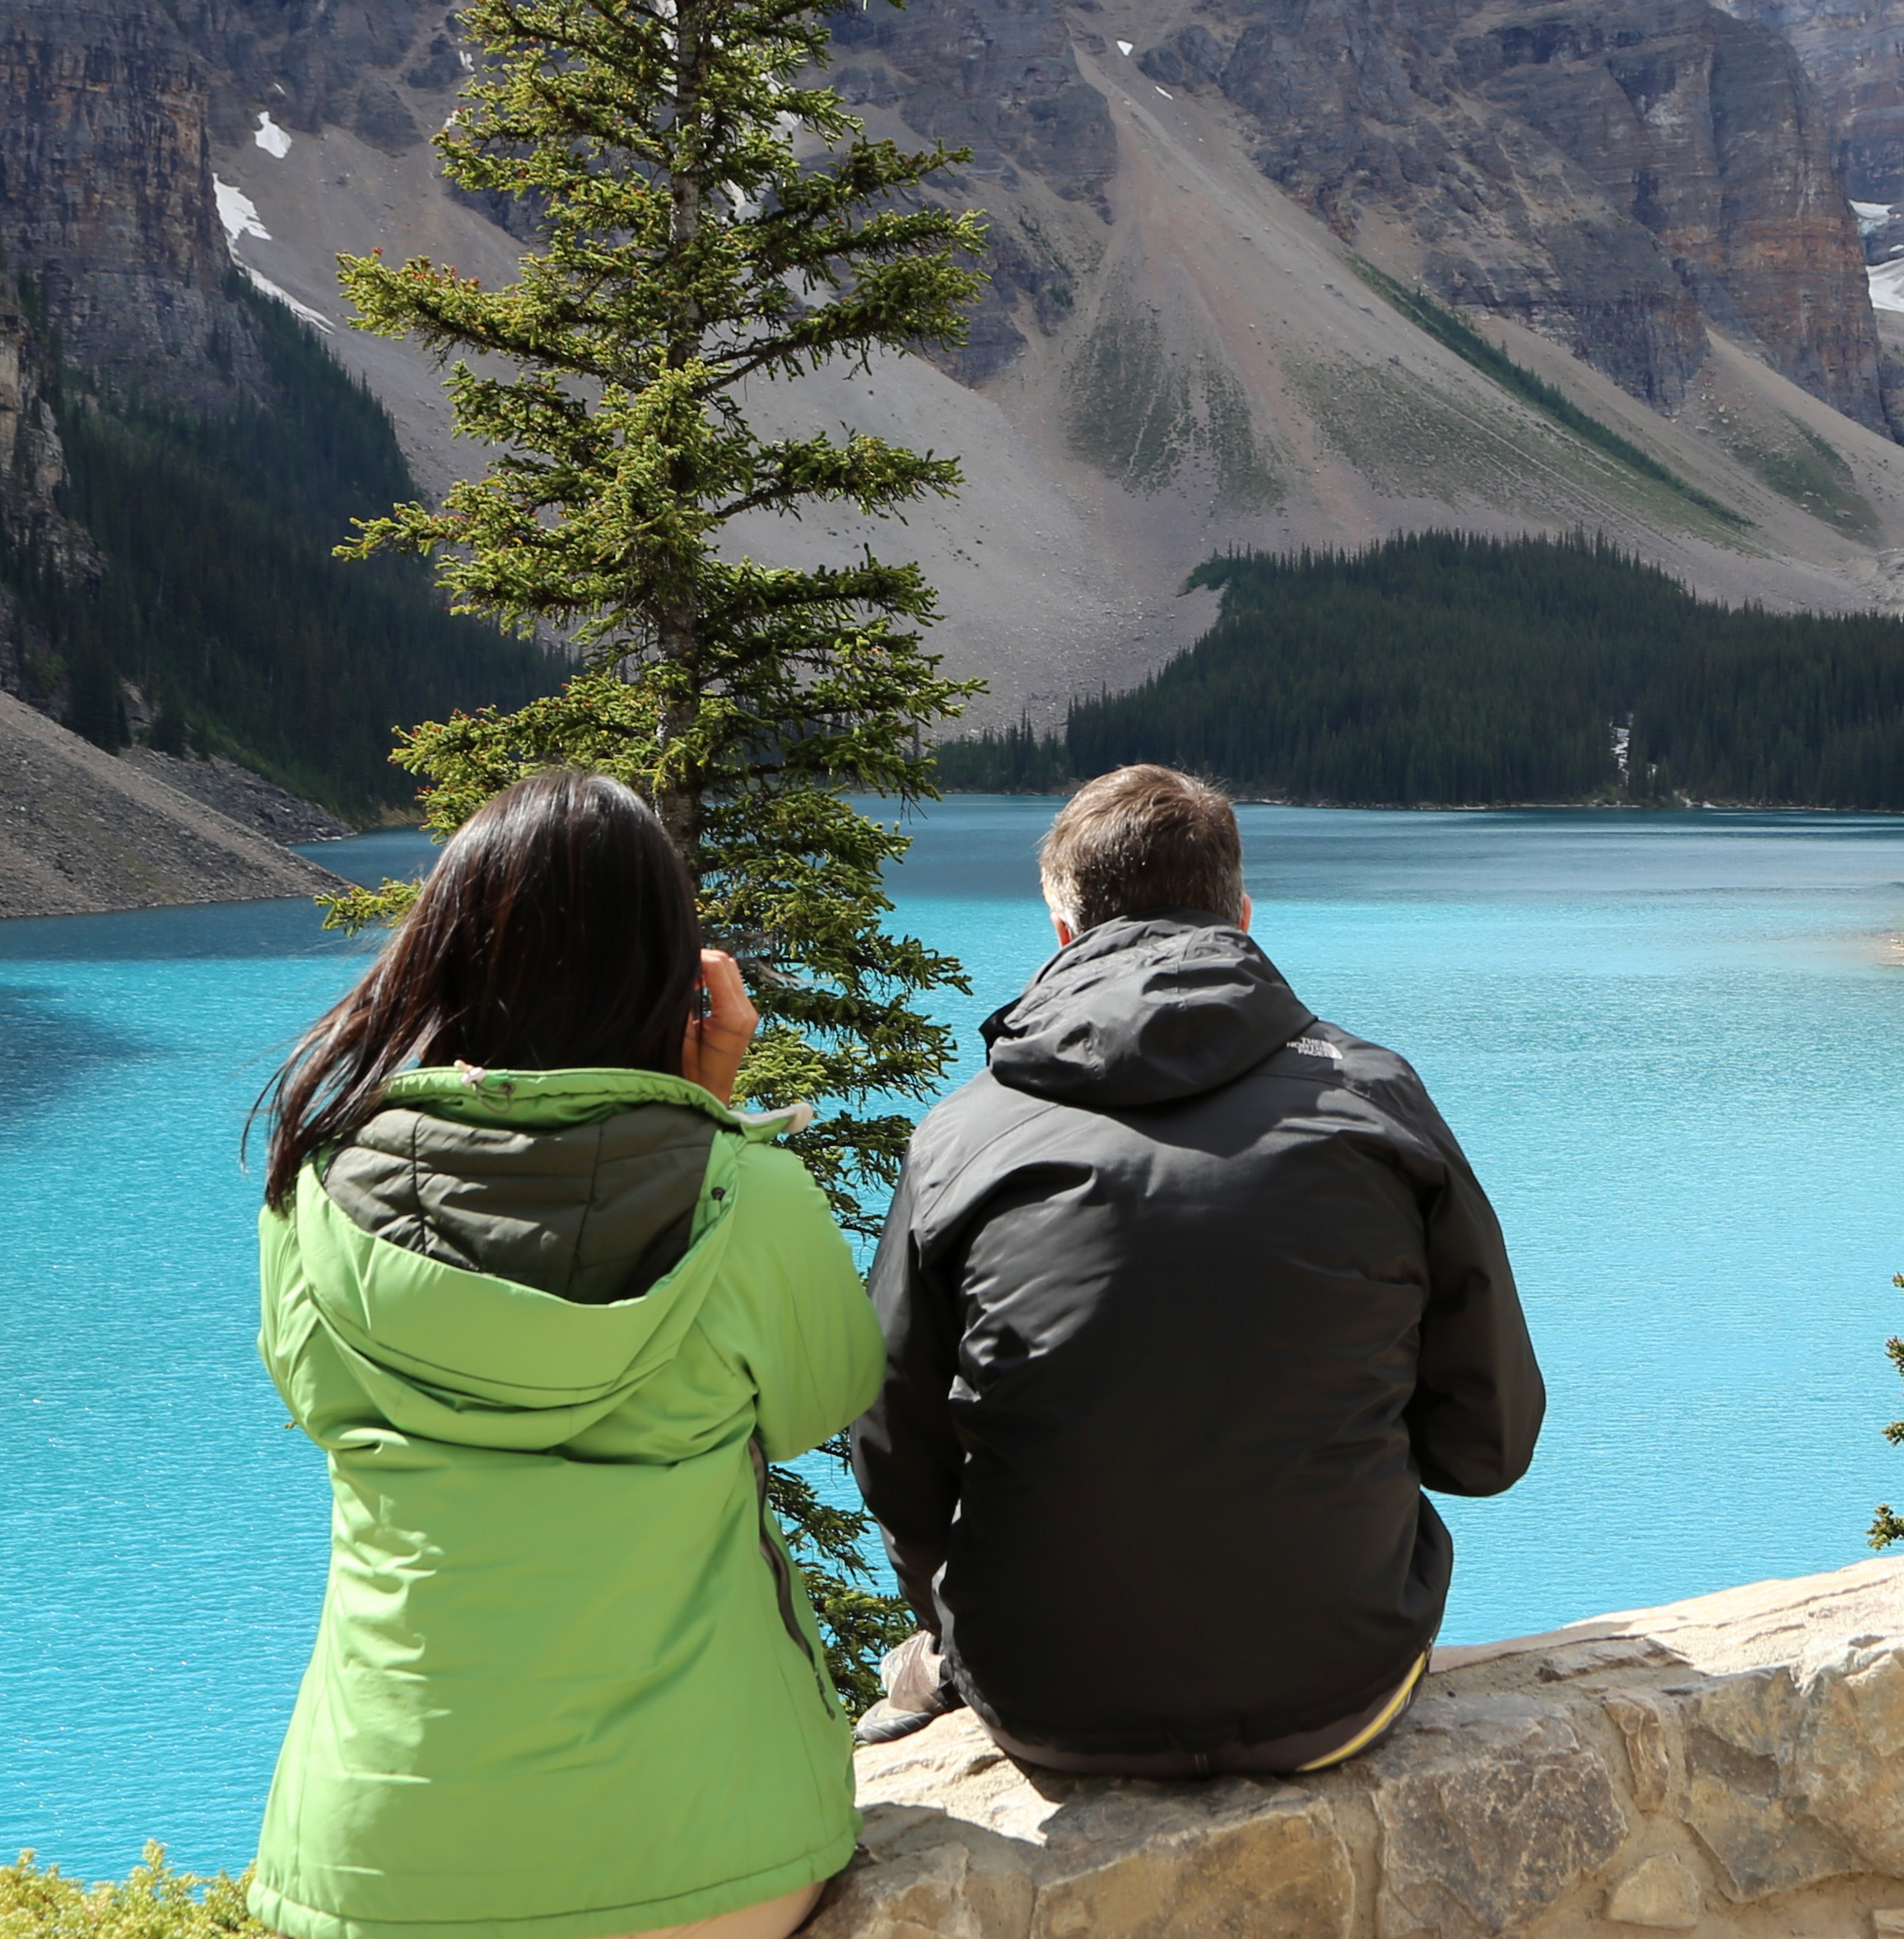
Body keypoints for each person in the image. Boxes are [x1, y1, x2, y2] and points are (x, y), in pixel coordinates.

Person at [244, 769, 880, 1939]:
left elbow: (309, 1399)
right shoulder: (749, 1196)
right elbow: (820, 1400)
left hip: (379, 1870)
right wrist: (710, 1110)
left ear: (438, 955)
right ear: (675, 971)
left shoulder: (314, 1198)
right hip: (711, 1858)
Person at [850, 763, 1546, 1777]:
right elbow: (1492, 1443)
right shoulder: (1375, 1097)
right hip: (1339, 1688)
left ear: (1062, 935)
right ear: (1243, 917)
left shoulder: (962, 1135)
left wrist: (960, 1616)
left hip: (1045, 1701)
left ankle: (932, 1672)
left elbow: (892, 1454)